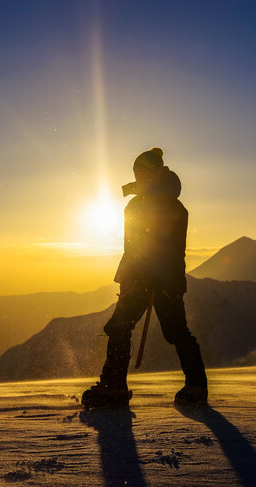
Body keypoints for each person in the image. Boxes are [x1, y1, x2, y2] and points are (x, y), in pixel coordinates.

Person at [82, 148, 208, 409]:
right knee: (138, 328)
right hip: (152, 279)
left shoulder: (162, 206)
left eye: (142, 172)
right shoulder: (156, 204)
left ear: (154, 173)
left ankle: (115, 387)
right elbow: (136, 246)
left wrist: (145, 278)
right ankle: (193, 385)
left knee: (148, 329)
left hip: (153, 278)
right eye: (136, 172)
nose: (138, 177)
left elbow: (157, 247)